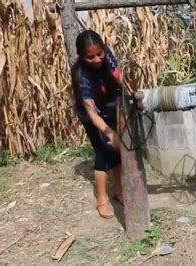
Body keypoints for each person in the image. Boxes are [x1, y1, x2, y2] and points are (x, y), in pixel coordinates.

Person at [71, 30, 123, 219]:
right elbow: (92, 113)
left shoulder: (107, 55)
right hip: (92, 115)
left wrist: (127, 94)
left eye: (99, 54)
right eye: (90, 57)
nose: (96, 59)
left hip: (110, 105)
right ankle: (101, 199)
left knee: (119, 151)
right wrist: (109, 133)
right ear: (82, 57)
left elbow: (118, 76)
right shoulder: (81, 76)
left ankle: (118, 191)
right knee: (104, 152)